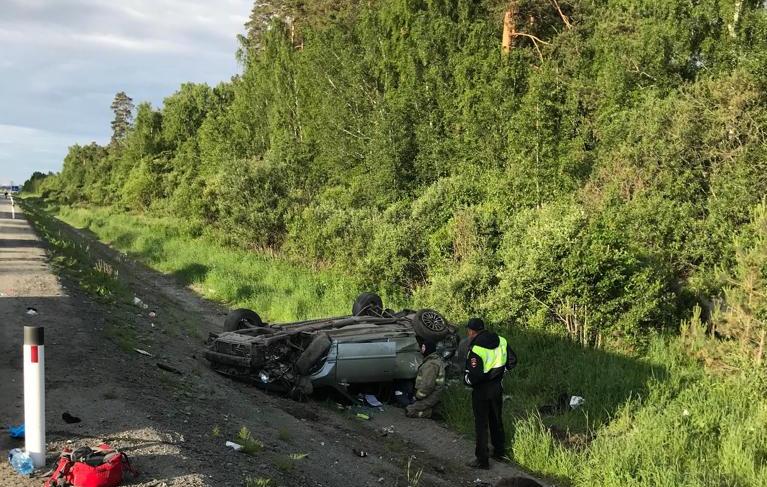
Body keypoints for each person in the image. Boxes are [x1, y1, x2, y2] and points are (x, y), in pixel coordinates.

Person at [464, 318, 516, 469]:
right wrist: (500, 372)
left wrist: (466, 380)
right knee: (496, 419)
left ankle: (482, 460)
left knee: (481, 424)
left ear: (472, 332)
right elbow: (512, 361)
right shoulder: (501, 341)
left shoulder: (476, 349)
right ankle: (499, 452)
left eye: (468, 331)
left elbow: (476, 376)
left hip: (481, 390)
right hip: (496, 388)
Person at [405, 340, 447, 419]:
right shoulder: (435, 360)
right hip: (433, 395)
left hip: (430, 397)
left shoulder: (430, 365)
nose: (421, 349)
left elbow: (427, 386)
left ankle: (432, 413)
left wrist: (418, 397)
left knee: (409, 411)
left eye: (423, 347)